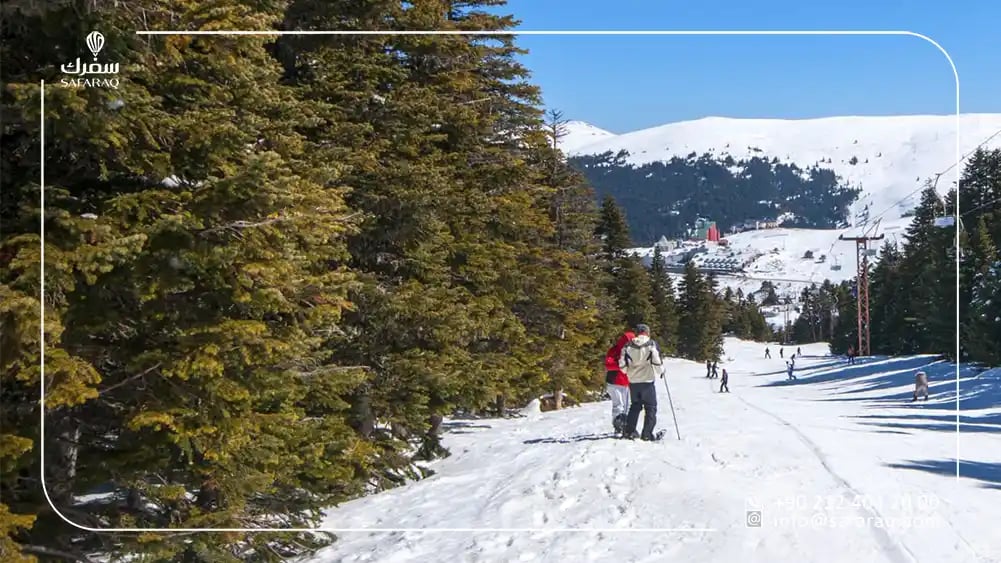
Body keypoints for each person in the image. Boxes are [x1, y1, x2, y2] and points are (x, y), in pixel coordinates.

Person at [619, 323, 663, 441]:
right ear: (647, 332)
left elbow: (622, 365)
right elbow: (656, 361)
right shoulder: (651, 344)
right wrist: (661, 371)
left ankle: (630, 431)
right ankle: (647, 433)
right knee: (651, 407)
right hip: (647, 381)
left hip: (633, 381)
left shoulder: (628, 345)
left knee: (635, 406)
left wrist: (627, 372)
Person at [604, 330, 635, 434]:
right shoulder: (614, 350)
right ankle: (618, 426)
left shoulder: (632, 351)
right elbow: (608, 364)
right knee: (618, 405)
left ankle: (624, 425)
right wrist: (621, 365)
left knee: (626, 406)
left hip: (627, 382)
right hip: (614, 382)